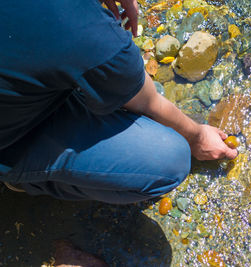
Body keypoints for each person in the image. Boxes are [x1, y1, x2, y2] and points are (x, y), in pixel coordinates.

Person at [0, 0, 237, 204]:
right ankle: (27, 178)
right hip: (11, 139)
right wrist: (197, 137)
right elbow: (148, 101)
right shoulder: (85, 31)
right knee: (170, 159)